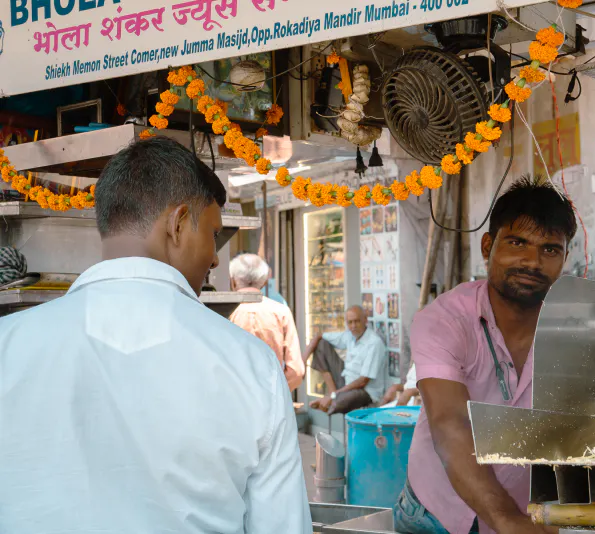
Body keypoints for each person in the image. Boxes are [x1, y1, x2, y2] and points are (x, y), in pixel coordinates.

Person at [0, 137, 311, 534]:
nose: (216, 258)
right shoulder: (249, 364)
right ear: (178, 223)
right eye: (213, 235)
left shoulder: (8, 346)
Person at [395, 176, 576, 534]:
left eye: (550, 249)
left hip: (530, 513)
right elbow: (450, 423)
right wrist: (507, 520)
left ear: (565, 257)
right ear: (487, 246)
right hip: (437, 513)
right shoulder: (444, 319)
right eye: (517, 242)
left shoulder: (574, 327)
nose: (532, 261)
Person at [229, 253, 305, 392]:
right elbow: (296, 371)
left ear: (232, 281)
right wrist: (276, 393)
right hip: (272, 398)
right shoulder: (281, 312)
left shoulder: (224, 313)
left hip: (234, 397)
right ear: (264, 282)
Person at [305, 306, 388, 414]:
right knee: (321, 345)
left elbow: (362, 382)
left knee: (341, 402)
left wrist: (335, 395)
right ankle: (331, 395)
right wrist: (303, 360)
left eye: (357, 321)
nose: (353, 326)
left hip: (364, 390)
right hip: (346, 380)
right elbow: (319, 336)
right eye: (350, 322)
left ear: (365, 320)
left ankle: (330, 401)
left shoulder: (374, 343)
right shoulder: (349, 335)